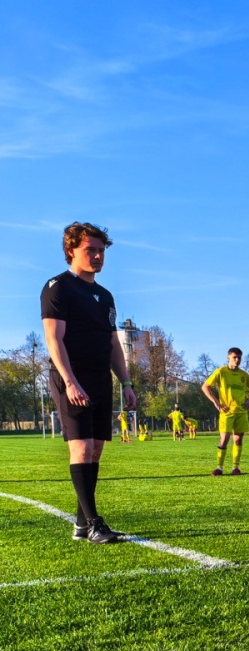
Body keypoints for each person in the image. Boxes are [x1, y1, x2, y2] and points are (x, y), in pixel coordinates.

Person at [41, 221, 138, 545]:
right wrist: (70, 382)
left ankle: (82, 525)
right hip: (71, 377)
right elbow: (54, 340)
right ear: (71, 251)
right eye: (90, 250)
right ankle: (95, 524)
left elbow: (113, 344)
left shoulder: (105, 296)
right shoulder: (58, 287)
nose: (97, 256)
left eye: (101, 251)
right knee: (81, 447)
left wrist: (126, 383)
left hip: (99, 378)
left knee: (95, 449)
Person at [202, 348, 249, 476]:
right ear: (228, 358)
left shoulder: (244, 375)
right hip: (226, 412)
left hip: (241, 412)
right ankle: (219, 468)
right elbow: (205, 386)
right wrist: (216, 403)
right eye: (234, 357)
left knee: (238, 440)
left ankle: (235, 468)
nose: (237, 360)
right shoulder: (221, 372)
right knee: (224, 440)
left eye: (239, 358)